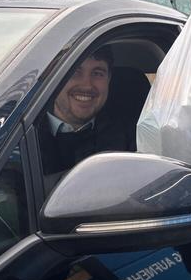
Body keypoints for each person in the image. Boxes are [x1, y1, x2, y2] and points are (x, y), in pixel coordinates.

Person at [38, 46, 136, 185]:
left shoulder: (131, 139)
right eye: (74, 71)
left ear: (109, 79)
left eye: (97, 73)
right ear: (53, 79)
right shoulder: (18, 138)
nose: (87, 85)